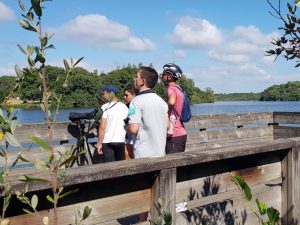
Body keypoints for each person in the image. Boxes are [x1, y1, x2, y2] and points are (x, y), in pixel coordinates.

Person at [126, 67, 168, 159]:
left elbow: (133, 129)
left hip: (144, 155)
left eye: (137, 77)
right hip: (160, 153)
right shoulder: (161, 102)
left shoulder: (135, 101)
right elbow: (167, 125)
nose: (134, 79)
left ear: (142, 81)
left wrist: (125, 127)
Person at [97, 84, 128, 163]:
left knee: (109, 167)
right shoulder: (124, 106)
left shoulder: (105, 107)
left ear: (110, 94)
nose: (102, 96)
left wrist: (99, 143)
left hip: (108, 142)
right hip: (121, 141)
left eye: (103, 94)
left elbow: (102, 127)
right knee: (120, 165)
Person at [161, 63, 187, 154]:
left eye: (164, 74)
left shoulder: (171, 88)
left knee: (172, 165)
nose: (162, 76)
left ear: (169, 76)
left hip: (174, 133)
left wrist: (167, 114)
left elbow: (171, 102)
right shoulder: (179, 88)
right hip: (181, 133)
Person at [123, 86, 137, 159]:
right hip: (128, 136)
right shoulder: (126, 106)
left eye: (127, 95)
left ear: (134, 95)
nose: (124, 97)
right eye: (124, 95)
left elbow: (131, 117)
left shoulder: (134, 105)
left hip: (133, 135)